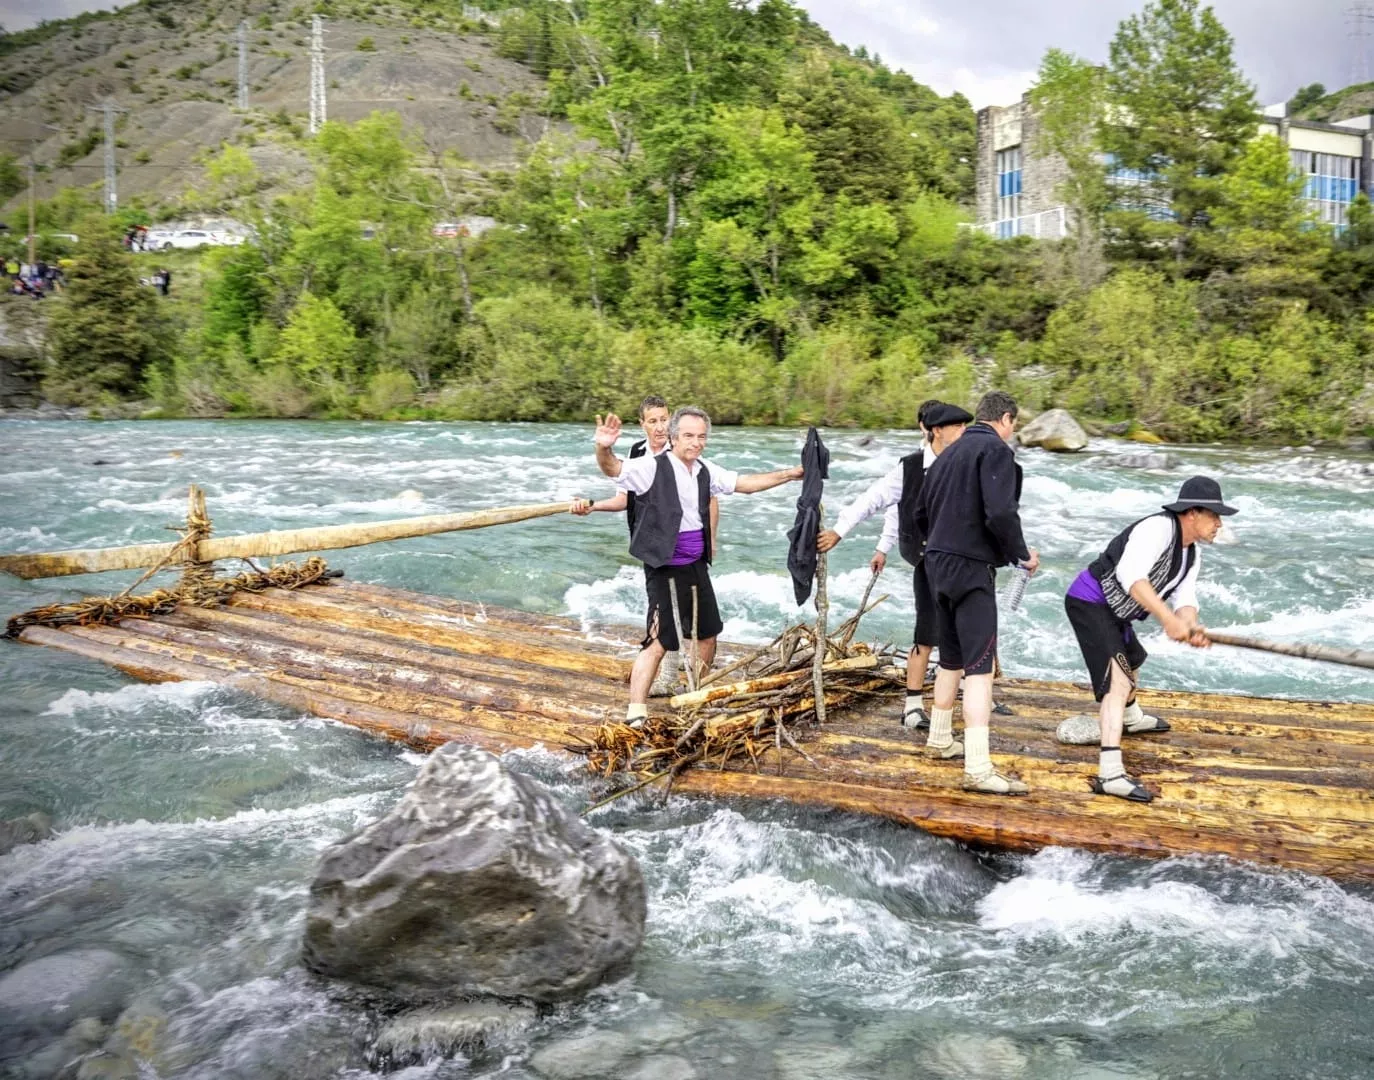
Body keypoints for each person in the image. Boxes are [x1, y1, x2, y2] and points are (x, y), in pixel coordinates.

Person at [593, 406, 802, 727]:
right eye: (689, 435)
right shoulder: (651, 467)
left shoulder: (706, 470)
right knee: (660, 639)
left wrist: (789, 474)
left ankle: (694, 693)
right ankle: (636, 710)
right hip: (663, 565)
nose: (696, 442)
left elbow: (745, 483)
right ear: (674, 437)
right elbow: (613, 469)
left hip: (695, 565)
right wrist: (603, 446)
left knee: (707, 636)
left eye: (701, 436)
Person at [1061, 476, 1235, 803]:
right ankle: (1110, 774)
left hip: (1118, 613)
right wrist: (1167, 619)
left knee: (1134, 660)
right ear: (1192, 514)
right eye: (1215, 515)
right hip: (1090, 602)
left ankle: (1131, 719)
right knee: (1118, 682)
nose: (1219, 524)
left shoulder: (1190, 554)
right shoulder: (1157, 529)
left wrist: (1191, 626)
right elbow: (1132, 577)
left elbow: (1186, 597)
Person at [815, 400, 971, 729]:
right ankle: (912, 707)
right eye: (957, 426)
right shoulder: (911, 468)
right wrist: (841, 531)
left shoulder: (967, 461)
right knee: (927, 634)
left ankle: (974, 693)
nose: (964, 432)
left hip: (963, 563)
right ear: (936, 431)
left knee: (969, 630)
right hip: (928, 563)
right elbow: (876, 499)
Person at [915, 390, 1038, 795]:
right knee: (980, 668)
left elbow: (919, 514)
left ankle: (938, 739)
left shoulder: (944, 454)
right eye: (1013, 425)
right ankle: (979, 768)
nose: (1011, 432)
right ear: (1005, 419)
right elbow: (1001, 513)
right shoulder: (996, 451)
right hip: (970, 568)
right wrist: (1020, 555)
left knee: (950, 658)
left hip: (936, 563)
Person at [575, 395, 719, 695]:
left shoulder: (680, 450)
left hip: (681, 542)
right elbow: (624, 498)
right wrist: (593, 506)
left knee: (681, 614)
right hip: (650, 540)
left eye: (664, 419)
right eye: (652, 420)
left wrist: (711, 539)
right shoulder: (637, 452)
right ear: (641, 424)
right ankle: (667, 676)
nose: (660, 426)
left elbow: (710, 496)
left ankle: (671, 678)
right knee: (665, 612)